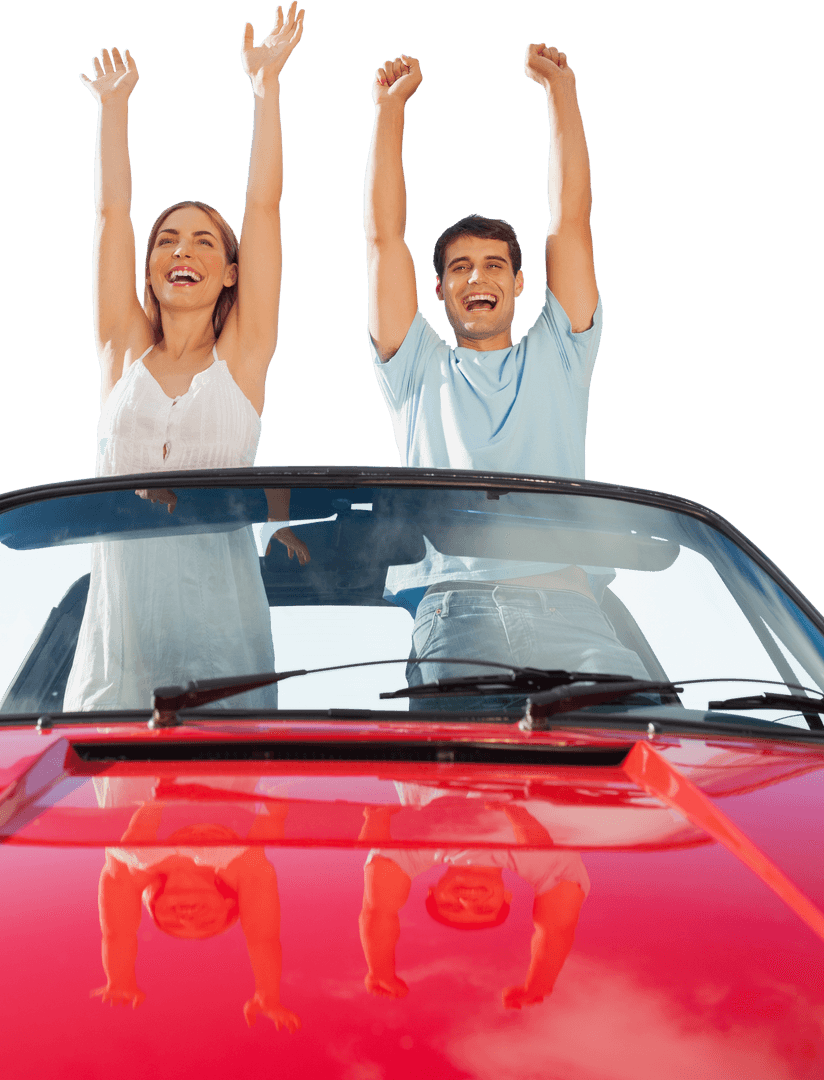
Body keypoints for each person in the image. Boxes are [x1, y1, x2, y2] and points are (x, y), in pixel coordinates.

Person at [363, 45, 648, 691]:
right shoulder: (415, 369)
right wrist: (388, 111)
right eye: (459, 268)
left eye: (493, 266)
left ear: (519, 283)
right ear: (439, 290)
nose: (476, 278)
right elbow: (383, 239)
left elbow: (570, 221)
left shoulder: (560, 353)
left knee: (638, 733)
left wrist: (560, 92)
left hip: (568, 606)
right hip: (455, 610)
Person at [64, 6, 306, 713]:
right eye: (168, 239)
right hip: (118, 654)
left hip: (222, 654)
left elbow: (264, 208)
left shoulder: (244, 357)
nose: (182, 250)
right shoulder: (122, 354)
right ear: (149, 268)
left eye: (204, 242)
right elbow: (111, 216)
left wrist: (265, 88)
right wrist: (112, 109)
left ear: (230, 273)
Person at [91, 774, 299, 1030]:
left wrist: (119, 979)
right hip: (218, 765)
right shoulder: (239, 864)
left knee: (130, 850)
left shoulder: (135, 868)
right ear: (229, 903)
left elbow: (117, 933)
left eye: (173, 924)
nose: (187, 919)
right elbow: (263, 937)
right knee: (269, 831)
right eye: (207, 923)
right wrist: (268, 994)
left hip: (139, 768)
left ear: (153, 907)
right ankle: (162, 796)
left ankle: (158, 799)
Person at [358, 789, 588, 1009]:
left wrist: (379, 971)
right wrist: (540, 984)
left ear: (433, 891)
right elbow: (557, 928)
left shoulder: (415, 851)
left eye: (450, 905)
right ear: (506, 896)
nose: (467, 901)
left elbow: (379, 909)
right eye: (484, 909)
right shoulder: (541, 864)